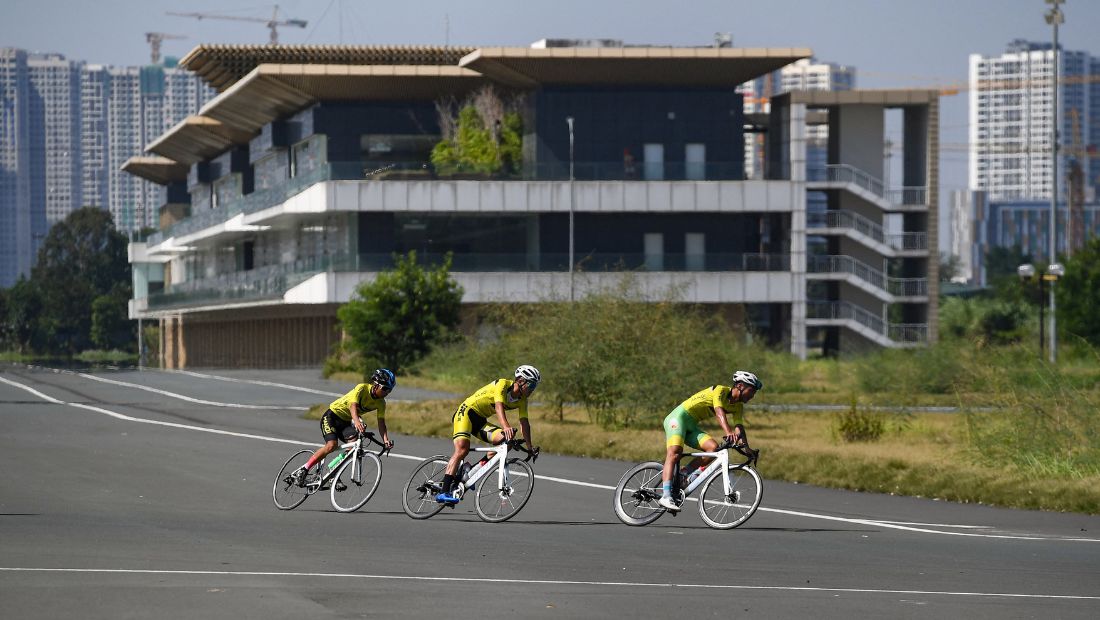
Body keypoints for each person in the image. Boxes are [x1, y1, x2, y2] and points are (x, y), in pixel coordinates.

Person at [657, 370, 762, 512]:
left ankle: (683, 474)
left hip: (691, 425)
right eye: (751, 391)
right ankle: (666, 496)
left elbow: (739, 428)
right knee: (675, 452)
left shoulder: (738, 406)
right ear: (740, 386)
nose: (752, 395)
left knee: (713, 449)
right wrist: (728, 432)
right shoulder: (720, 391)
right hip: (677, 418)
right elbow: (719, 412)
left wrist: (747, 449)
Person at [435, 364, 541, 504]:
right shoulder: (502, 384)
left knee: (505, 442)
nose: (533, 389)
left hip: (480, 421)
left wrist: (530, 446)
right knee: (462, 448)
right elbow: (499, 407)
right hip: (467, 412)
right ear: (521, 381)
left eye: (535, 386)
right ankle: (443, 491)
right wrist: (506, 426)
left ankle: (471, 472)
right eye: (531, 385)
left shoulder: (522, 401)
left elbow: (524, 423)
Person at [294, 368, 397, 486]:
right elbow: (352, 407)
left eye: (389, 390)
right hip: (332, 416)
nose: (387, 392)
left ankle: (333, 472)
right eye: (385, 389)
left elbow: (381, 423)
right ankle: (304, 470)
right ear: (376, 385)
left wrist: (386, 440)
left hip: (346, 422)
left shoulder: (381, 403)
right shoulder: (362, 388)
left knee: (352, 448)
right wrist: (357, 422)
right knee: (332, 445)